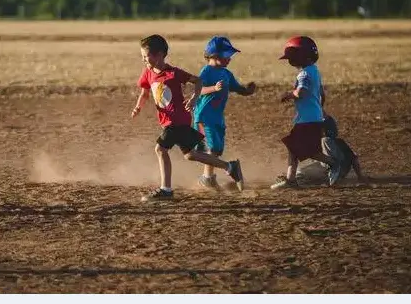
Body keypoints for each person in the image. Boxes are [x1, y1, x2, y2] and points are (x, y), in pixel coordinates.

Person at [131, 34, 244, 202]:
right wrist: (138, 107)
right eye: (142, 56)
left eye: (146, 56)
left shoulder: (173, 73)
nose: (143, 60)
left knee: (160, 149)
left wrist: (194, 98)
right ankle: (229, 166)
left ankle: (166, 189)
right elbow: (145, 92)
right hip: (171, 121)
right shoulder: (148, 73)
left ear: (160, 54)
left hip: (177, 120)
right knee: (191, 155)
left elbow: (198, 81)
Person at [270, 36, 341, 190]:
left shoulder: (304, 74)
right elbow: (322, 94)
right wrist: (318, 109)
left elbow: (301, 92)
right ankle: (291, 180)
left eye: (292, 58)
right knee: (294, 148)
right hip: (310, 117)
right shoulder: (314, 71)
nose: (290, 62)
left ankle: (334, 163)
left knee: (309, 151)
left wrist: (288, 95)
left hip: (308, 120)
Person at [193, 36, 256, 191]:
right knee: (212, 148)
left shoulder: (226, 74)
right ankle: (207, 178)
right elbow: (199, 90)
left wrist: (247, 91)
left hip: (217, 118)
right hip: (204, 117)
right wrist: (214, 88)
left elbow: (236, 88)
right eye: (227, 55)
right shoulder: (206, 71)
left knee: (217, 149)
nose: (230, 58)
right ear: (214, 55)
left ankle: (207, 178)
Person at [296, 114, 368, 185]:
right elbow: (354, 158)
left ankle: (329, 174)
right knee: (304, 170)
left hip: (332, 170)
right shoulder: (339, 141)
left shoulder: (325, 140)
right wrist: (360, 176)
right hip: (341, 172)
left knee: (301, 172)